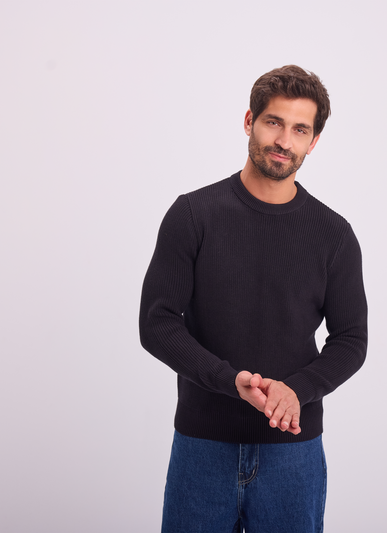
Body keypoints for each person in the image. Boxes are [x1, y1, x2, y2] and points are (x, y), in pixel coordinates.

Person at [139, 65, 368, 533]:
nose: (284, 140)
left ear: (313, 141)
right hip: (202, 446)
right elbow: (157, 322)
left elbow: (351, 339)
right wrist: (229, 380)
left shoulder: (333, 234)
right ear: (249, 121)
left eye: (299, 129)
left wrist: (295, 391)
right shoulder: (193, 215)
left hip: (293, 453)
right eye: (273, 122)